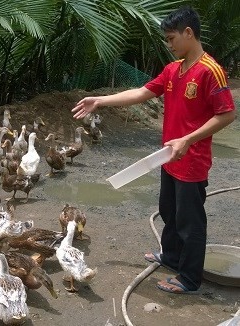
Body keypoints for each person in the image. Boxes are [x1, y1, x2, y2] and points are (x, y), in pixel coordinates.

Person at [71, 6, 236, 294]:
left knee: (190, 222)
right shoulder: (173, 70)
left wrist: (188, 139)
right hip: (169, 158)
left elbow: (227, 115)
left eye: (171, 38)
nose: (169, 45)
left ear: (188, 33)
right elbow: (141, 93)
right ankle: (171, 257)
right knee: (168, 212)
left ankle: (189, 279)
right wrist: (100, 100)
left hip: (192, 161)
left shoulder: (211, 71)